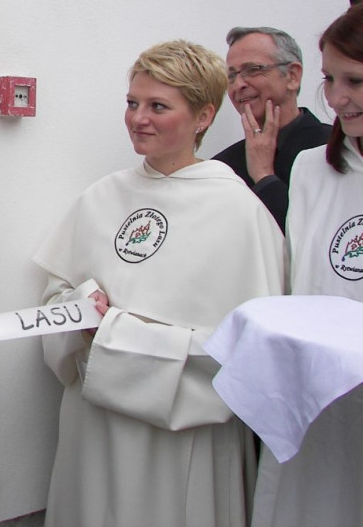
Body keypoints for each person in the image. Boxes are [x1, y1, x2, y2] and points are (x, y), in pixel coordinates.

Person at [36, 40, 285, 527]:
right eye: (132, 103)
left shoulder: (239, 213)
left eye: (157, 106)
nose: (137, 119)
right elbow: (53, 298)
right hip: (96, 428)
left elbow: (248, 350)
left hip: (182, 435)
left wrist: (116, 335)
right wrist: (81, 305)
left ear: (203, 116)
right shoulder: (102, 195)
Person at [251, 3, 363, 527]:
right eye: (330, 80)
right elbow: (295, 275)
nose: (338, 98)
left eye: (356, 81)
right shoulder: (313, 168)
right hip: (315, 399)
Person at [212, 27, 330, 230]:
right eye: (231, 76)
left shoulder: (334, 148)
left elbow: (318, 240)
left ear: (292, 76)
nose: (238, 84)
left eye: (253, 69)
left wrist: (264, 175)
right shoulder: (221, 168)